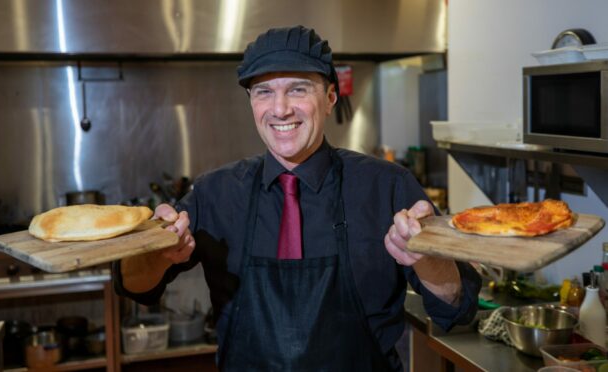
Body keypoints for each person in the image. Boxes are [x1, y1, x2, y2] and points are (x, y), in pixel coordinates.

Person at [114, 25, 481, 371]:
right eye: (264, 92)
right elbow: (136, 286)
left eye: (298, 89)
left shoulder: (387, 187)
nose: (280, 108)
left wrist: (429, 261)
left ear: (330, 98)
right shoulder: (215, 192)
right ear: (251, 103)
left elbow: (456, 307)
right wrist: (154, 252)